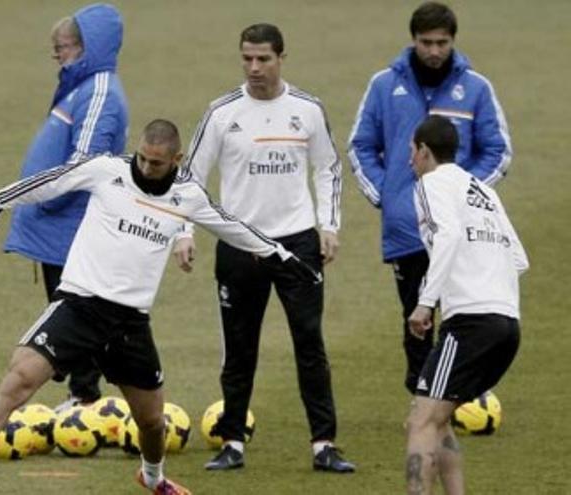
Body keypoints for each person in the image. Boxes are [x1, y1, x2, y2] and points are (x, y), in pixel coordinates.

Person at [0, 119, 322, 495]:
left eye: (157, 162)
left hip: (130, 323)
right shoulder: (105, 170)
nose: (146, 167)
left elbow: (233, 227)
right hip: (79, 305)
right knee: (21, 377)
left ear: (176, 161)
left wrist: (283, 258)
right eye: (143, 157)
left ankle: (154, 478)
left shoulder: (188, 197)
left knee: (150, 422)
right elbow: (52, 181)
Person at [181, 23, 353, 472]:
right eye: (247, 59)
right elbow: (191, 179)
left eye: (263, 59)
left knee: (309, 343)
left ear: (281, 58)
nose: (254, 68)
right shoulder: (222, 113)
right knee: (239, 348)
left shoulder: (307, 109)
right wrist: (184, 234)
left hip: (297, 244)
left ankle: (324, 444)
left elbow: (328, 169)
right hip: (239, 244)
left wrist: (328, 225)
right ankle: (232, 442)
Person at [347, 1, 512, 394]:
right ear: (413, 41)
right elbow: (360, 147)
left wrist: (464, 196)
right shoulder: (384, 85)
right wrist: (387, 197)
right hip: (407, 228)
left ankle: (463, 395)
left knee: (464, 314)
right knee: (416, 320)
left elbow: (498, 150)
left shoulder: (475, 88)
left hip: (462, 230)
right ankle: (422, 396)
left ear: (453, 41)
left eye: (442, 42)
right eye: (426, 42)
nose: (434, 51)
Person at [3, 2, 128, 410]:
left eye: (64, 47)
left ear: (88, 47)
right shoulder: (81, 87)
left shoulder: (98, 93)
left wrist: (48, 202)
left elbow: (83, 166)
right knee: (68, 308)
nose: (58, 56)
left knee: (76, 312)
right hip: (58, 224)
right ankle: (83, 390)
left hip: (71, 224)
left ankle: (86, 395)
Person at [404, 115, 526, 495]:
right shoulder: (484, 190)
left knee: (420, 422)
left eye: (412, 152)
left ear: (424, 150)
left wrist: (425, 303)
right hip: (507, 323)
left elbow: (449, 235)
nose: (411, 161)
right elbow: (520, 259)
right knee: (439, 421)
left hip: (471, 323)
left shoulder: (431, 183)